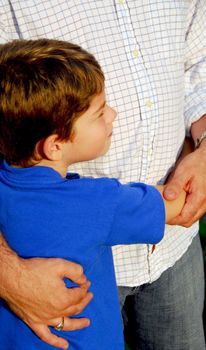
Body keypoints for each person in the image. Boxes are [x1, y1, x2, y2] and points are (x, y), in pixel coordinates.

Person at [0, 1, 206, 349]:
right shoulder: (99, 202)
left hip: (171, 257)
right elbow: (175, 202)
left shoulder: (7, 185)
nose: (113, 114)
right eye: (98, 112)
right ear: (54, 145)